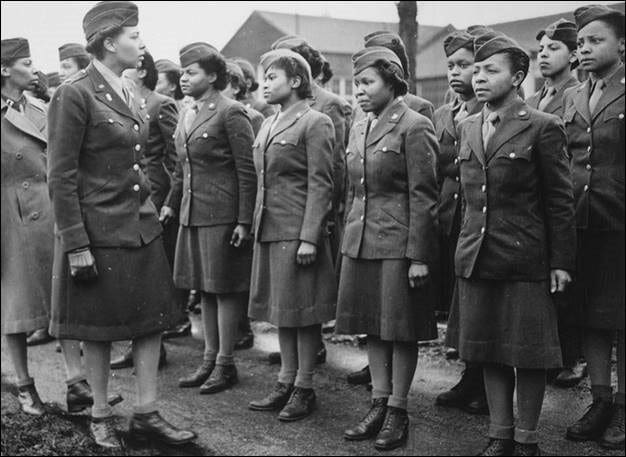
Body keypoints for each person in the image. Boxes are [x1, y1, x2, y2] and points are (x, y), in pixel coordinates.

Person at [47, 1, 195, 448]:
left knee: (150, 322)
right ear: (109, 43)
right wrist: (76, 244)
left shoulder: (128, 89)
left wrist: (148, 202)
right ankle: (100, 413)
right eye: (134, 35)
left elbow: (138, 159)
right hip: (99, 231)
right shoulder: (74, 93)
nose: (142, 42)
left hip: (140, 227)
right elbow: (61, 176)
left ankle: (147, 414)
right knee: (99, 328)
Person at [455, 32, 575, 456]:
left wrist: (561, 261)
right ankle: (499, 434)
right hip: (478, 257)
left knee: (528, 353)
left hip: (525, 258)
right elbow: (468, 201)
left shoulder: (542, 126)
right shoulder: (467, 126)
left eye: (491, 70)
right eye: (477, 70)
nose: (479, 78)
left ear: (518, 77)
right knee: (488, 349)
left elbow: (560, 200)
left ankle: (526, 439)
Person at [1, 36, 122, 417]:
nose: (34, 69)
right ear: (4, 69)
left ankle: (76, 384)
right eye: (26, 63)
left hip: (50, 209)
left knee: (61, 299)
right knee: (15, 306)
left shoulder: (41, 107)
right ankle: (24, 386)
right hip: (9, 216)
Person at [336, 46, 439, 451]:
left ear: (391, 82)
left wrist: (419, 256)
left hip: (397, 243)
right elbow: (354, 191)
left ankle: (398, 409)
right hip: (361, 241)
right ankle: (378, 403)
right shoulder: (359, 125)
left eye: (367, 82)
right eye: (357, 83)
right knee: (372, 325)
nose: (359, 90)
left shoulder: (414, 125)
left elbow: (424, 197)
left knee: (399, 329)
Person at [160, 43, 256, 395]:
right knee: (205, 289)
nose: (184, 78)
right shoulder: (189, 111)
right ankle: (210, 359)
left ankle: (225, 363)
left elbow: (247, 171)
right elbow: (181, 167)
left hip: (221, 214)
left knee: (224, 290)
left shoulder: (231, 112)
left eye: (192, 72)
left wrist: (243, 221)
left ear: (213, 76)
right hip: (192, 212)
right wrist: (172, 204)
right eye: (183, 72)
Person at [248, 48, 336, 421]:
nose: (265, 85)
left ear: (296, 81)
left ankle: (304, 386)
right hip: (270, 229)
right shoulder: (268, 123)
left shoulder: (315, 122)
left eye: (272, 77)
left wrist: (309, 237)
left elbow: (322, 184)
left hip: (297, 232)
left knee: (302, 313)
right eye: (264, 78)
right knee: (282, 312)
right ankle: (286, 381)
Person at [563, 5, 625, 450]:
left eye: (595, 40)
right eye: (581, 42)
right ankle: (600, 399)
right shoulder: (573, 96)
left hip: (620, 224)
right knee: (592, 316)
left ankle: (623, 405)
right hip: (581, 223)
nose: (584, 49)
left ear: (622, 44)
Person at [110, 51, 181, 370]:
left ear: (140, 71)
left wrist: (170, 201)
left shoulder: (161, 103)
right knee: (133, 274)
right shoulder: (120, 101)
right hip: (129, 195)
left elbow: (177, 160)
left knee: (151, 275)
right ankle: (138, 344)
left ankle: (155, 346)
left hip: (155, 195)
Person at [527, 18, 585, 389]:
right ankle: (550, 351)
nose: (544, 55)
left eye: (554, 48)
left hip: (571, 196)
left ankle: (573, 355)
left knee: (569, 277)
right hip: (537, 199)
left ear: (574, 55)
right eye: (541, 50)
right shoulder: (533, 101)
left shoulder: (577, 95)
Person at [433, 30, 488, 416]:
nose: (455, 72)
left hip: (477, 218)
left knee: (479, 301)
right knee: (460, 301)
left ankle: (484, 382)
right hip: (449, 218)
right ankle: (471, 375)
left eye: (464, 65)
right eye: (451, 65)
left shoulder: (487, 112)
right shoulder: (443, 114)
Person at [223, 58, 265, 351]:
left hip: (242, 200)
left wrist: (246, 214)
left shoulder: (253, 116)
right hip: (226, 201)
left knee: (238, 272)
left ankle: (242, 327)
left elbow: (251, 169)